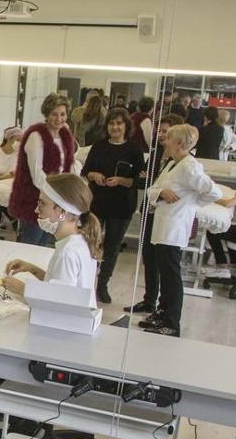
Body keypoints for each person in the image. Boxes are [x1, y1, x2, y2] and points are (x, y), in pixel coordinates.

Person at [139, 124, 222, 337]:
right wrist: (162, 192)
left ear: (178, 143)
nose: (164, 141)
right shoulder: (173, 164)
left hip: (174, 226)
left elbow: (213, 192)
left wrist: (190, 203)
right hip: (163, 225)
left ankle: (172, 321)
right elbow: (151, 189)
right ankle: (162, 312)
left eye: (167, 138)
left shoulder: (189, 167)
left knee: (171, 276)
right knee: (164, 273)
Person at [1, 173, 102, 304]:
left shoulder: (67, 252)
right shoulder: (80, 239)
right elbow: (61, 287)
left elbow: (60, 301)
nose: (36, 210)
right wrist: (33, 269)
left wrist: (23, 289)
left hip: (66, 322)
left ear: (61, 212)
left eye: (42, 204)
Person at [81, 109, 145, 303]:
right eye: (111, 123)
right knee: (89, 242)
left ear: (126, 126)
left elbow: (139, 181)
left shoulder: (134, 150)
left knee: (112, 247)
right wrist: (95, 176)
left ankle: (102, 285)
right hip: (98, 202)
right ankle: (84, 282)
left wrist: (121, 181)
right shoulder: (99, 146)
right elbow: (86, 171)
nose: (115, 127)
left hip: (121, 205)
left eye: (119, 123)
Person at [125, 113, 185, 318]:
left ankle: (163, 307)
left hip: (167, 216)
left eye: (166, 132)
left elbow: (154, 183)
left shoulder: (182, 162)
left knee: (164, 263)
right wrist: (154, 187)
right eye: (160, 131)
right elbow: (143, 180)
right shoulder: (157, 153)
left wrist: (154, 186)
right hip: (149, 210)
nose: (161, 136)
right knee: (149, 258)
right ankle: (149, 300)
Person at [9, 93, 77, 246]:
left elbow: (69, 165)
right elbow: (37, 175)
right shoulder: (36, 136)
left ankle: (37, 270)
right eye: (54, 114)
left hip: (56, 201)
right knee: (30, 244)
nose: (59, 119)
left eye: (62, 114)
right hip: (35, 201)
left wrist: (70, 192)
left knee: (44, 245)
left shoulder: (65, 135)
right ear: (46, 114)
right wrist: (55, 195)